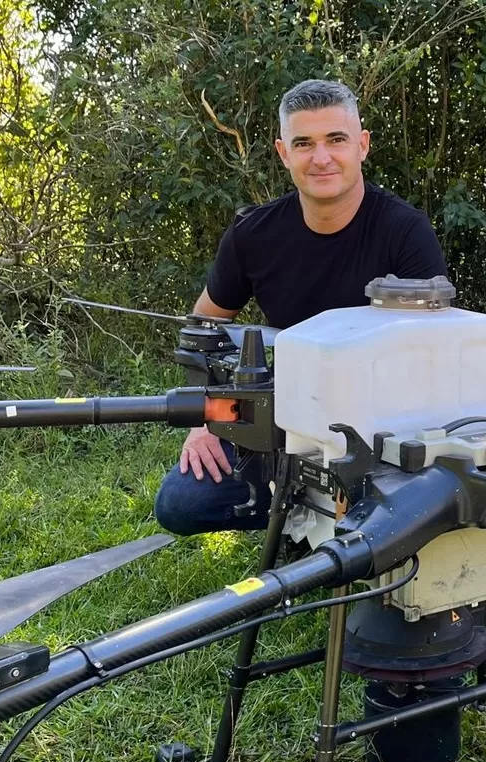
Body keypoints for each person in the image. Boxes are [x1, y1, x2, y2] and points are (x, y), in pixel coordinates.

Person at [153, 79, 448, 536]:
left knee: (412, 509)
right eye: (304, 143)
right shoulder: (253, 234)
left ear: (362, 145)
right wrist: (206, 419)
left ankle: (331, 514)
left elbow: (435, 355)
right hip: (282, 418)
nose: (321, 157)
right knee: (181, 503)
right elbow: (204, 327)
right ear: (283, 153)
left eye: (336, 139)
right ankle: (296, 512)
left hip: (383, 429)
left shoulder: (406, 232)